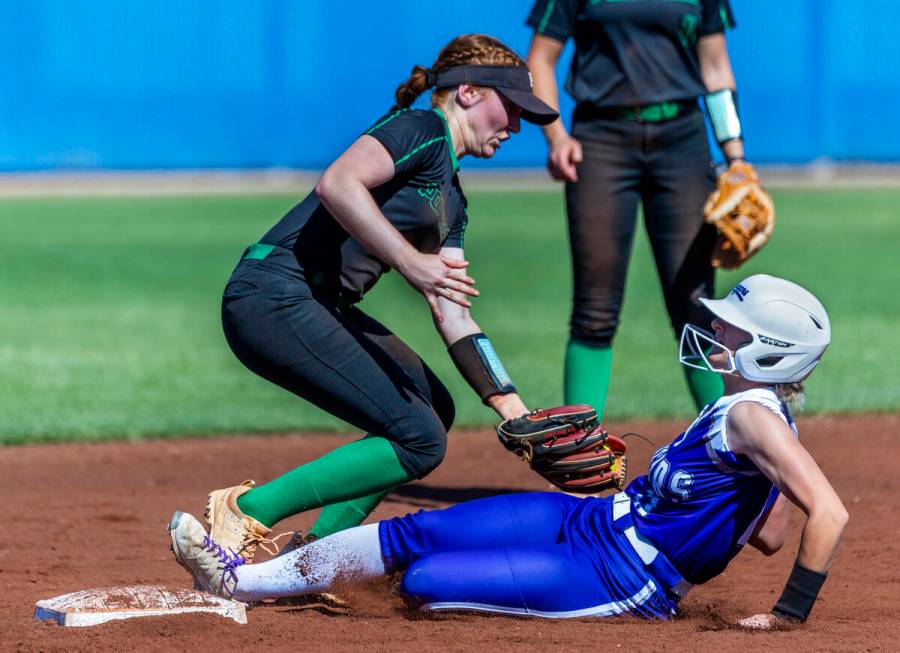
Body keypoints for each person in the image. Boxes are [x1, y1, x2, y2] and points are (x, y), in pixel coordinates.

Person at [171, 274, 848, 627]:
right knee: (418, 530)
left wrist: (787, 613)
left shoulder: (757, 415)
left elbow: (828, 512)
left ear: (769, 352)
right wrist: (733, 494)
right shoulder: (755, 413)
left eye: (731, 327)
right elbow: (771, 531)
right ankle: (240, 580)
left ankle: (284, 580)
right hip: (595, 520)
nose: (714, 330)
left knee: (429, 581)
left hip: (623, 578)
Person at [189, 34, 559, 565]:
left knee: (434, 408)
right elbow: (338, 183)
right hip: (272, 293)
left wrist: (514, 412)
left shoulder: (453, 201)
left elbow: (452, 308)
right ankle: (246, 510)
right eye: (513, 108)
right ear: (470, 91)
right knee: (420, 439)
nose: (517, 127)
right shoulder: (421, 129)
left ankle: (313, 555)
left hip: (314, 303)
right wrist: (413, 262)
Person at [525, 0, 752, 418]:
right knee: (594, 309)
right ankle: (580, 451)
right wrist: (556, 138)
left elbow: (716, 67)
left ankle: (728, 441)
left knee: (696, 306)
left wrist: (734, 156)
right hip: (601, 140)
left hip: (682, 140)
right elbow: (540, 57)